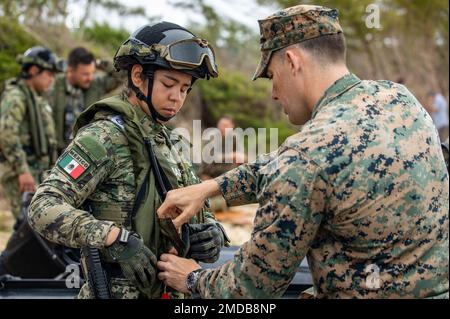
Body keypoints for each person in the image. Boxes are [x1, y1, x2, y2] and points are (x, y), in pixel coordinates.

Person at [156, 5, 449, 299]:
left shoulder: (306, 155)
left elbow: (249, 290)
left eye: (271, 76)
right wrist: (212, 187)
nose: (273, 93)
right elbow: (293, 163)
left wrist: (192, 278)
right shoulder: (398, 98)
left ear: (292, 61)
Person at [28, 22, 229, 299]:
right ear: (138, 76)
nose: (176, 97)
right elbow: (42, 207)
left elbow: (201, 210)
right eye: (169, 84)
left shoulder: (176, 145)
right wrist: (113, 238)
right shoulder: (103, 137)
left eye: (184, 89)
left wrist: (213, 233)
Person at [0, 46, 63, 220]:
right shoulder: (16, 97)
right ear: (34, 71)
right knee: (27, 227)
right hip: (23, 173)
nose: (51, 80)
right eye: (49, 74)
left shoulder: (36, 98)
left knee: (38, 228)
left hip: (38, 170)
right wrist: (22, 171)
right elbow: (6, 133)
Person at [46, 47, 123, 154]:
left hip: (86, 153)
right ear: (70, 70)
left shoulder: (95, 84)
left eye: (92, 72)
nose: (90, 78)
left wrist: (98, 63)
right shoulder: (53, 86)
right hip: (57, 153)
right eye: (85, 74)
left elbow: (121, 75)